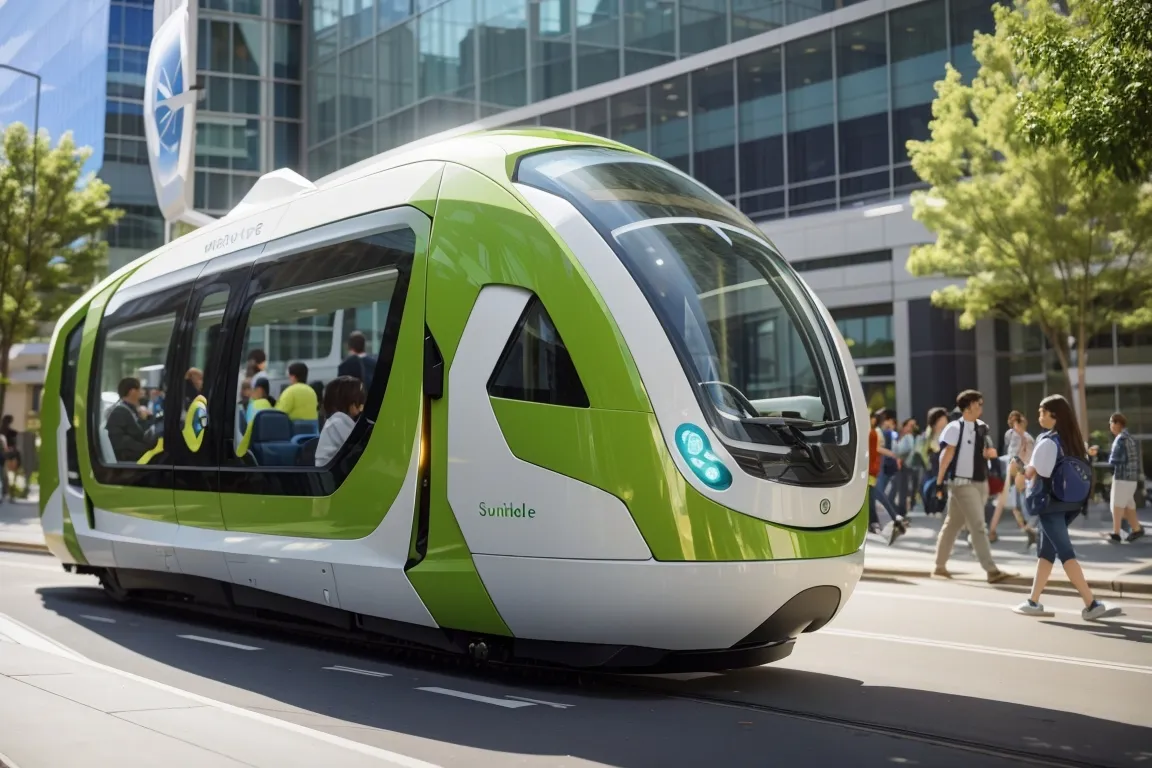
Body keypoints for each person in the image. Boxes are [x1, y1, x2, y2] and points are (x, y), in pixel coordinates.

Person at [1011, 395, 1121, 619]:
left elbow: (1032, 474)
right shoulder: (1071, 440)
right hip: (1069, 504)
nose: (1038, 416)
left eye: (1043, 412)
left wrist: (1018, 471)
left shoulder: (1047, 442)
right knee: (1046, 553)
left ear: (1055, 416)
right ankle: (1033, 601)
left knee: (1066, 553)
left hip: (1049, 505)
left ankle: (1091, 604)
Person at [932, 389, 1013, 583]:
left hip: (980, 482)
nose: (981, 407)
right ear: (968, 407)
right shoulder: (954, 428)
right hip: (962, 483)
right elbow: (946, 456)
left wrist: (989, 453)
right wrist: (939, 482)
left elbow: (987, 451)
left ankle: (939, 567)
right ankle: (991, 570)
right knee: (978, 525)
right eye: (979, 404)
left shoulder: (982, 427)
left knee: (952, 525)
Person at [989, 410, 1037, 548]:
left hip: (1023, 472)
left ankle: (1029, 531)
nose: (1017, 426)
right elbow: (1011, 454)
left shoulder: (1028, 438)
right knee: (1014, 505)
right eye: (1014, 423)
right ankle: (1028, 531)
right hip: (1013, 471)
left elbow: (1029, 457)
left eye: (1019, 422)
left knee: (1019, 503)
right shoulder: (1010, 435)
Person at [1105, 412, 1145, 543]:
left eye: (1111, 422)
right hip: (1131, 478)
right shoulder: (1130, 437)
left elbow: (1115, 459)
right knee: (1128, 506)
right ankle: (1136, 529)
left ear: (1117, 424)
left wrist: (1098, 454)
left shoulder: (1121, 439)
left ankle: (1116, 534)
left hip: (1122, 477)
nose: (1110, 425)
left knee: (1116, 505)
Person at [868, 409, 906, 543]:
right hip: (872, 467)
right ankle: (883, 521)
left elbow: (875, 449)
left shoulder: (875, 431)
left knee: (876, 495)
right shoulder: (875, 431)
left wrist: (891, 454)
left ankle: (887, 520)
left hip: (871, 468)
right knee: (875, 495)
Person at [106, 377, 159, 463]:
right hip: (130, 461)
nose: (142, 392)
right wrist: (145, 419)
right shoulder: (120, 413)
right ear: (132, 392)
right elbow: (139, 436)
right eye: (140, 389)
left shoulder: (131, 409)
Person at [316, 376, 365, 466]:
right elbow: (361, 449)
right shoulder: (338, 422)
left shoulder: (339, 421)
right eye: (360, 396)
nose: (362, 401)